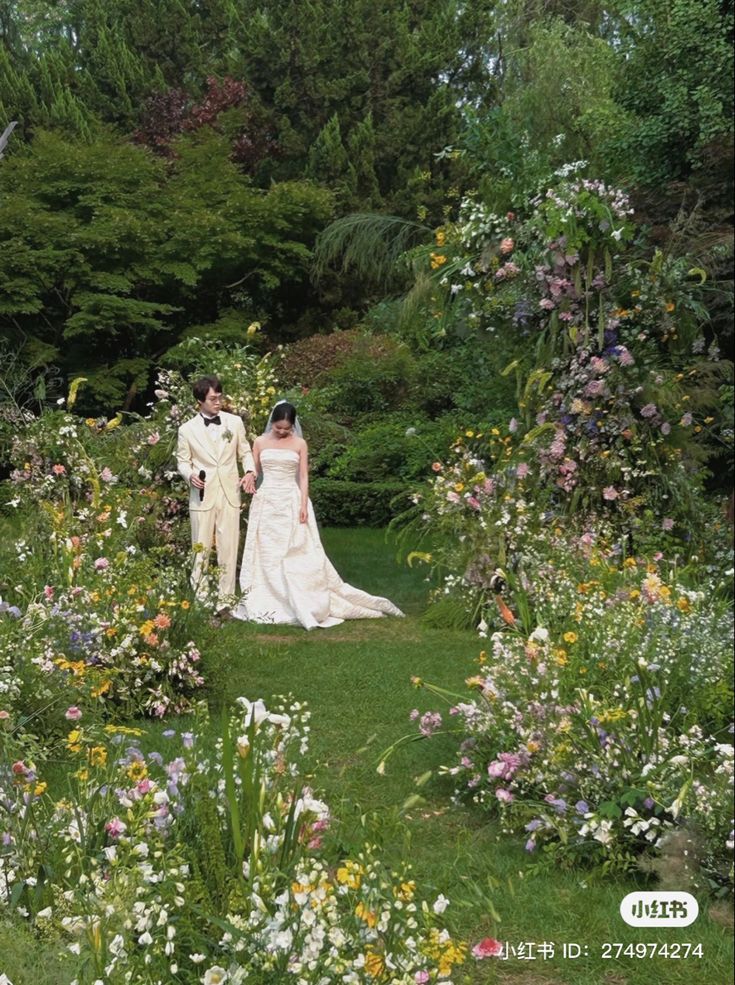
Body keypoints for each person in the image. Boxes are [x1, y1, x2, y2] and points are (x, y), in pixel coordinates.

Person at [232, 401, 403, 629]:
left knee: (295, 552)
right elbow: (255, 470)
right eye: (278, 427)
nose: (282, 432)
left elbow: (303, 477)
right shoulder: (260, 442)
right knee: (267, 552)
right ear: (272, 422)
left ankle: (302, 597)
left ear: (293, 425)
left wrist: (303, 504)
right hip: (267, 502)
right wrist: (250, 478)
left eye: (286, 428)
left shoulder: (300, 443)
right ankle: (270, 596)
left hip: (291, 501)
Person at [176, 375, 256, 613]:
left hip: (230, 492)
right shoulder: (186, 429)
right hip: (201, 494)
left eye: (220, 397)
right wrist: (189, 475)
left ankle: (226, 601)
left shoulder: (234, 423)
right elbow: (182, 461)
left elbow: (245, 451)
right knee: (199, 547)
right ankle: (200, 600)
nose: (218, 401)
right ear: (200, 400)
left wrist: (250, 471)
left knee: (229, 547)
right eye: (213, 398)